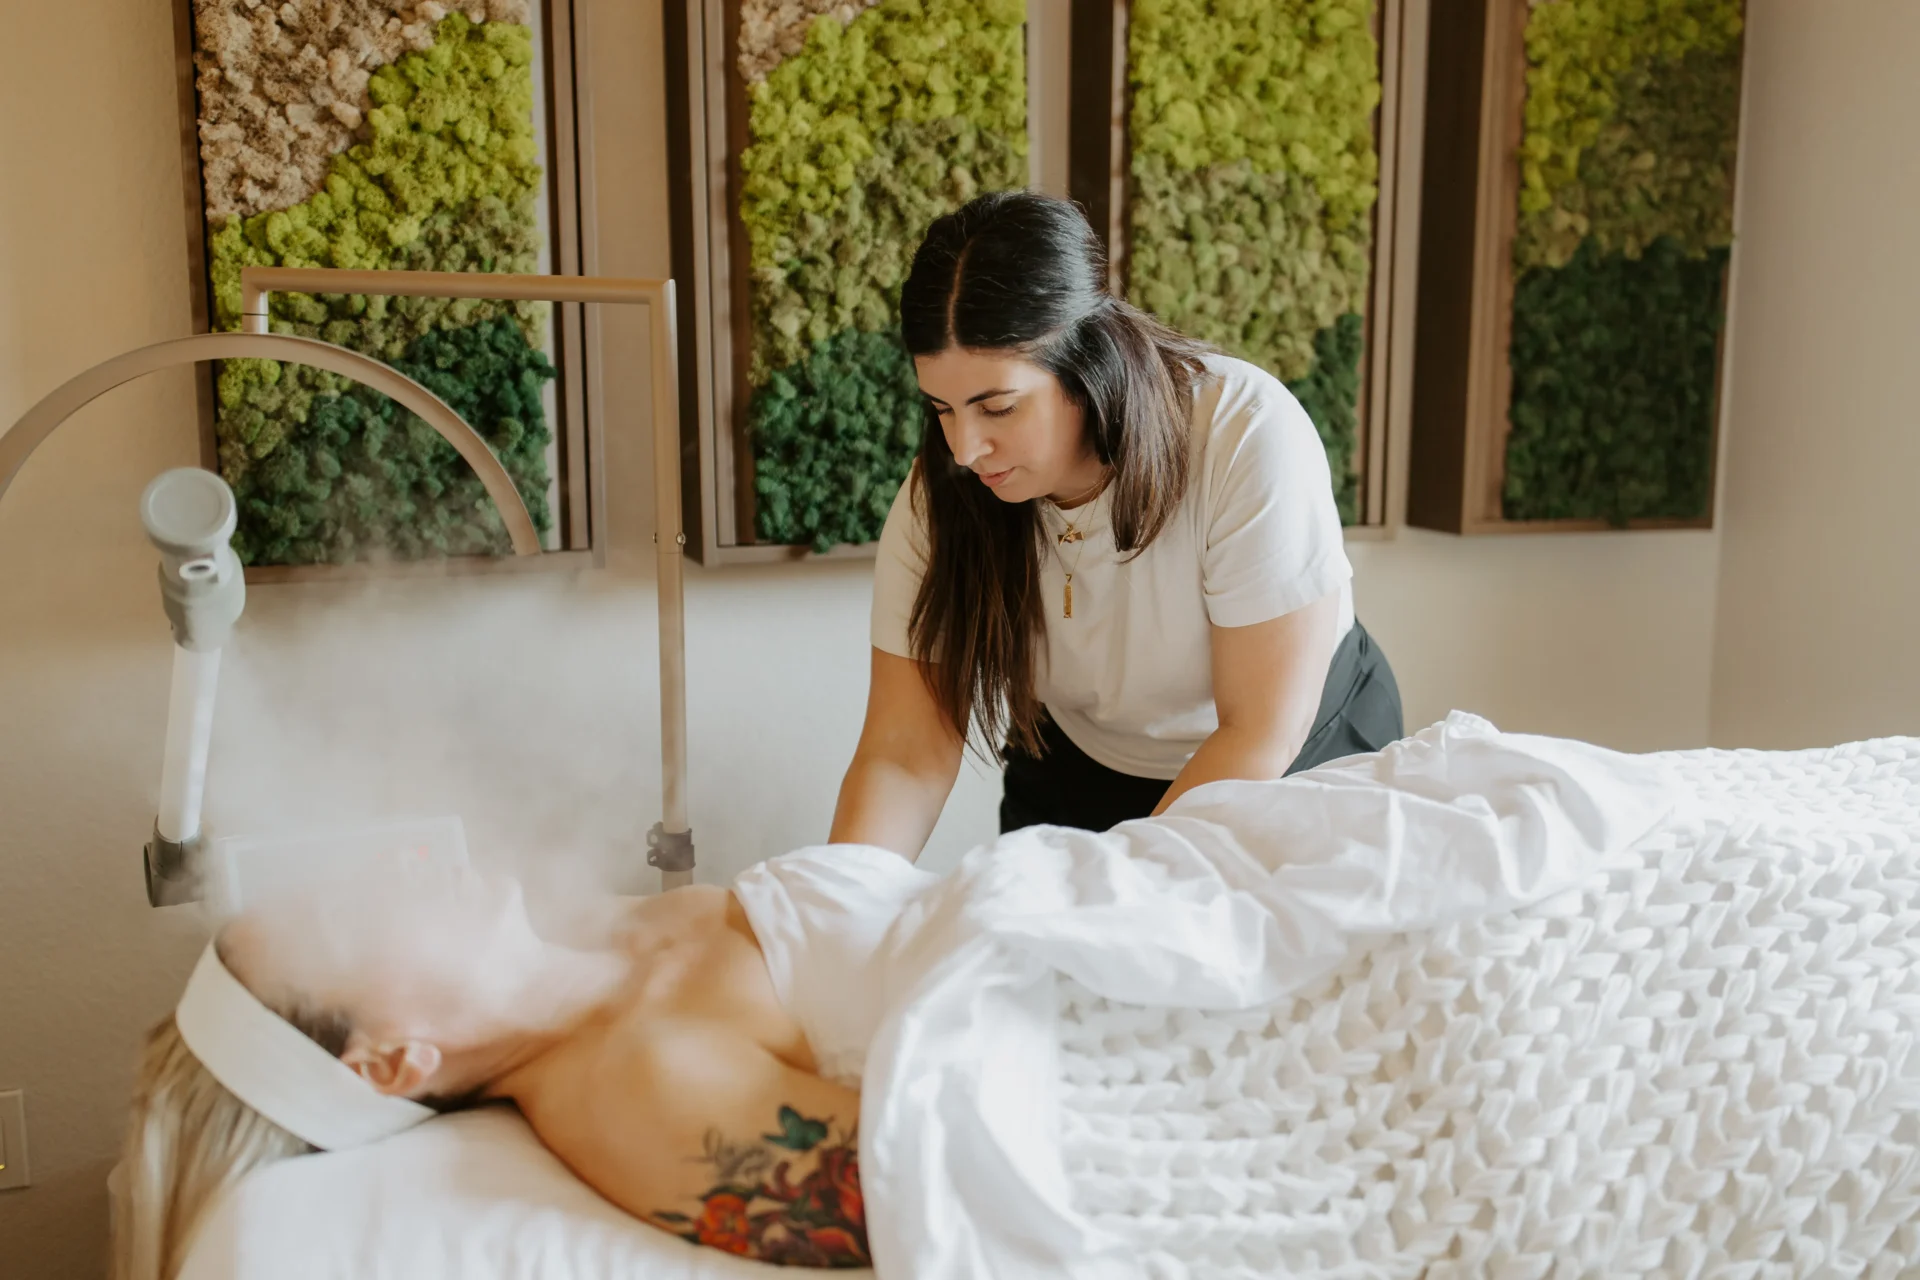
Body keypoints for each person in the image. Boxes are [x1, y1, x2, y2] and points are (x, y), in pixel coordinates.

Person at [829, 190, 1403, 859]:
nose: (964, 448)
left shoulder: (1243, 432)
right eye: (942, 409)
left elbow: (1257, 730)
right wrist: (828, 912)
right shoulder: (947, 491)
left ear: (1087, 362)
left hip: (1295, 751)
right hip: (1083, 762)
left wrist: (1119, 898)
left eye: (999, 408)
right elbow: (904, 754)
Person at [112, 855, 926, 1280]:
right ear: (392, 1061)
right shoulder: (639, 1085)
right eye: (353, 919)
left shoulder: (617, 931)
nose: (391, 868)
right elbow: (942, 1183)